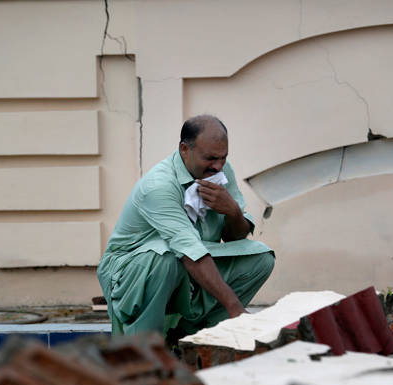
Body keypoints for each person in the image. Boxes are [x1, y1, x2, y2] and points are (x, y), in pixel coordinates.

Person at [96, 114, 274, 337]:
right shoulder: (159, 186)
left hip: (188, 263)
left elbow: (233, 238)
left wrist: (232, 211)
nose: (218, 166)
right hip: (131, 272)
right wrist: (234, 306)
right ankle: (144, 347)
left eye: (223, 158)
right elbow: (189, 251)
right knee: (164, 258)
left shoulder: (219, 170)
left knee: (260, 258)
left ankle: (194, 336)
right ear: (184, 150)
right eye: (210, 158)